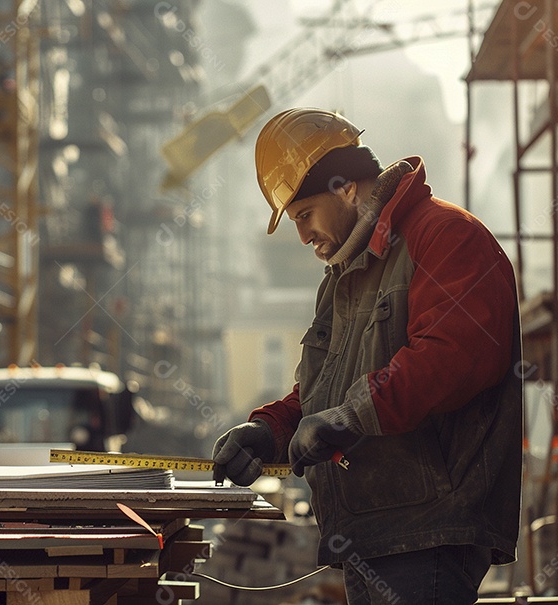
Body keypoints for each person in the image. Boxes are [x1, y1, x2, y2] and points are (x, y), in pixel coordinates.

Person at [211, 108, 522, 604]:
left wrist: (349, 418)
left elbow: (456, 355)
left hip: (429, 530)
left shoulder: (445, 236)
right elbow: (324, 393)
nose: (303, 236)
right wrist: (272, 430)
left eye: (304, 215)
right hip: (370, 530)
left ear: (345, 188)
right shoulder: (346, 275)